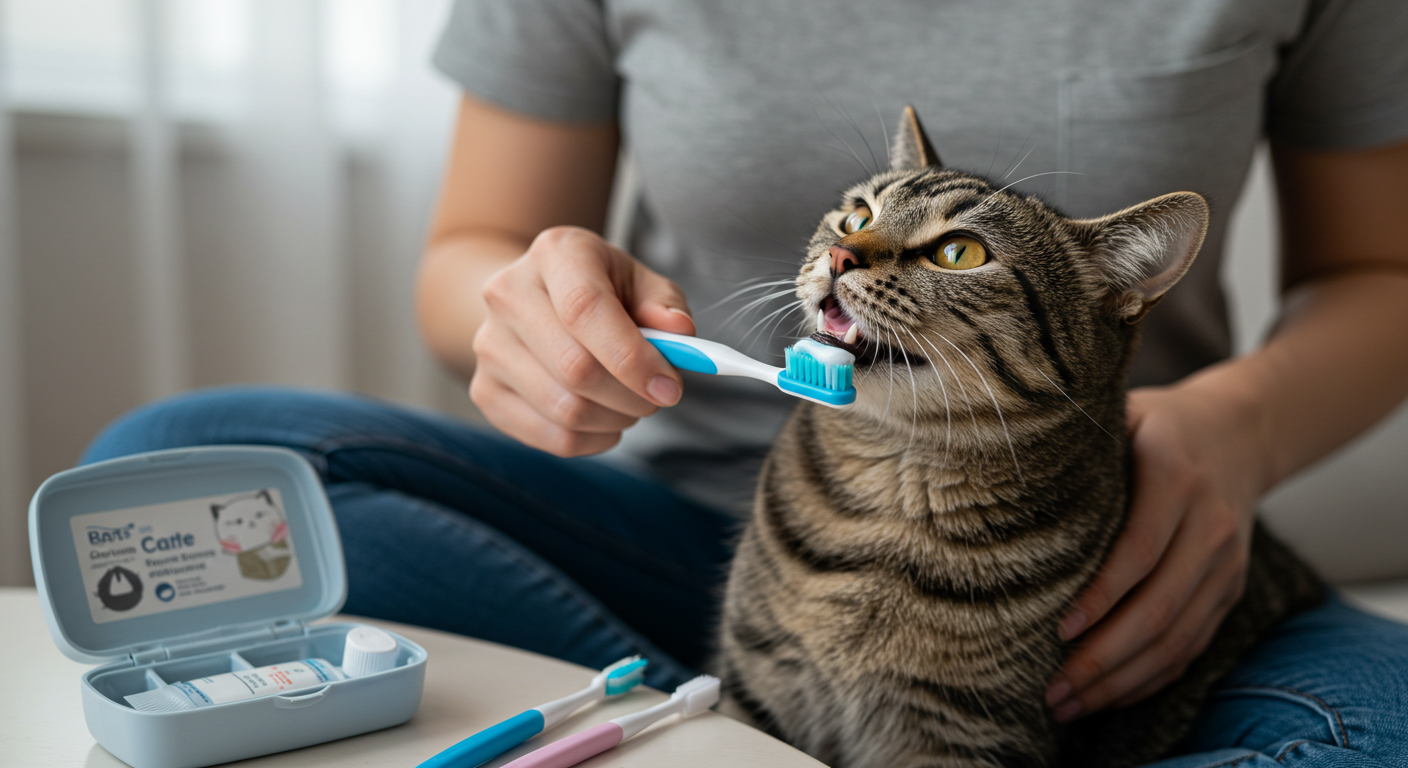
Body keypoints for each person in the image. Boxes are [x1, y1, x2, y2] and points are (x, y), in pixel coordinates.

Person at [87, 2, 1408, 765]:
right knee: (188, 456)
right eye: (859, 223)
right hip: (702, 536)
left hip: (1134, 556)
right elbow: (468, 253)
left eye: (936, 251)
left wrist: (1243, 423)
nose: (854, 255)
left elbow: (1381, 266)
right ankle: (724, 722)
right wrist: (539, 314)